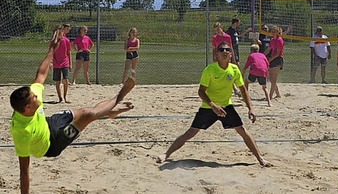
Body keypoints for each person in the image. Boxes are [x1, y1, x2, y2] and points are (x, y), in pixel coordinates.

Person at [10, 28, 135, 194]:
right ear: (27, 108)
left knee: (85, 111)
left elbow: (41, 74)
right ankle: (118, 97)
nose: (38, 96)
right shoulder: (22, 132)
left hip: (49, 123)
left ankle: (109, 111)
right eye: (35, 98)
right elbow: (24, 170)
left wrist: (52, 49)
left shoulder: (30, 99)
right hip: (52, 145)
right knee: (88, 116)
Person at [155, 42, 269, 167]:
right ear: (217, 54)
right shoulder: (210, 69)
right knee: (190, 133)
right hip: (209, 107)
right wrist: (213, 105)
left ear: (231, 54)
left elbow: (243, 90)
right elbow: (201, 91)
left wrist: (251, 108)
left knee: (242, 131)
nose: (225, 51)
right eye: (222, 50)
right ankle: (166, 154)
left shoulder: (234, 69)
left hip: (226, 106)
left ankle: (260, 158)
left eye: (227, 50)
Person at [52, 24, 72, 103]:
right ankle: (60, 98)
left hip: (65, 62)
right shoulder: (55, 40)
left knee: (66, 80)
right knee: (58, 81)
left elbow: (69, 52)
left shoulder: (66, 40)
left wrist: (70, 63)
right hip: (56, 63)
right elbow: (51, 50)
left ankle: (65, 97)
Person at [264, 26, 285, 100]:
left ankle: (270, 96)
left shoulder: (279, 40)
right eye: (272, 31)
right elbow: (269, 49)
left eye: (275, 31)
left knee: (273, 80)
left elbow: (278, 53)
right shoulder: (272, 39)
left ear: (278, 32)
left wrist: (269, 60)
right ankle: (278, 94)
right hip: (272, 58)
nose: (273, 32)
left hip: (278, 59)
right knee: (271, 79)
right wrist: (262, 56)